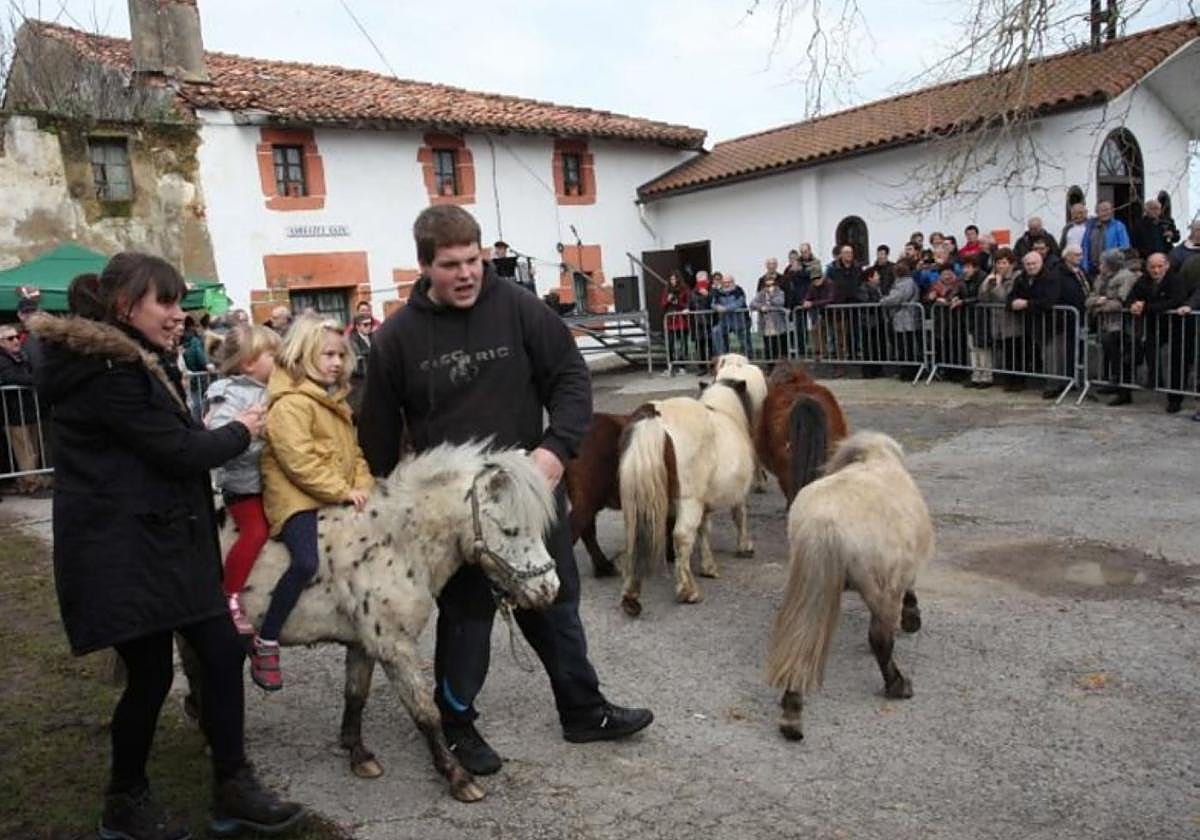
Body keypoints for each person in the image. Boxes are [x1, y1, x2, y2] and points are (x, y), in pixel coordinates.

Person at [356, 204, 653, 777]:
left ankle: (583, 711)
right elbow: (377, 432)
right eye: (451, 265)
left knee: (556, 601)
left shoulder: (519, 307)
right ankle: (457, 724)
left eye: (474, 260)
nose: (467, 274)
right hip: (455, 512)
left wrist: (556, 448)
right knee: (467, 618)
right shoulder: (396, 339)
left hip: (529, 490)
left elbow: (570, 379)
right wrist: (379, 502)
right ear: (424, 266)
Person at [31, 253, 304, 840]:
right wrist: (241, 431)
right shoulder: (108, 372)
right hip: (126, 554)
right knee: (152, 676)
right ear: (127, 305)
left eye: (180, 302)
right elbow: (178, 453)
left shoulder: (134, 361)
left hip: (162, 547)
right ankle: (125, 800)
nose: (180, 315)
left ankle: (232, 785)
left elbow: (169, 443)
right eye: (168, 302)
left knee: (222, 654)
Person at [253, 315, 374, 690]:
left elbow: (355, 454)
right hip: (297, 500)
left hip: (334, 493)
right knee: (305, 559)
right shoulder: (289, 405)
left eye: (341, 355)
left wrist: (364, 485)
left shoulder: (334, 402)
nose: (337, 362)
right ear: (303, 355)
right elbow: (299, 462)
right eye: (327, 355)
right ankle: (267, 639)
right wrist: (342, 491)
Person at [204, 324, 281, 635]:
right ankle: (231, 594)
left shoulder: (274, 388)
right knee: (256, 531)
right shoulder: (228, 394)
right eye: (273, 354)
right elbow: (220, 436)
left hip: (272, 481)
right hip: (244, 485)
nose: (281, 359)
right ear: (249, 362)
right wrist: (254, 434)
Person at [1125, 253, 1192, 413]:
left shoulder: (1176, 279)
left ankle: (1175, 399)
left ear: (1167, 266)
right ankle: (1155, 379)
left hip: (1179, 326)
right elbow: (1131, 297)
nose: (1156, 270)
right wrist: (1133, 305)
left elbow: (1176, 300)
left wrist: (1146, 307)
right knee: (1150, 350)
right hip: (1155, 325)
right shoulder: (1143, 280)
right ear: (1147, 268)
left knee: (1178, 361)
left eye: (1159, 266)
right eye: (1152, 267)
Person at [0, 323, 51, 494]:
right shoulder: (2, 359)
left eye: (17, 336)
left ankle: (29, 481)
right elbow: (11, 377)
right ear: (1, 342)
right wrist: (33, 379)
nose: (16, 340)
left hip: (28, 410)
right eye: (10, 338)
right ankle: (32, 485)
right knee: (25, 451)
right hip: (14, 413)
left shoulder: (21, 356)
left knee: (33, 449)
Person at [1086, 248, 1141, 404]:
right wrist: (1097, 302)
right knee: (1109, 354)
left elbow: (1122, 300)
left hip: (1124, 325)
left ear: (1110, 264)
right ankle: (1112, 382)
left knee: (1124, 357)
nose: (1099, 266)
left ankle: (1124, 391)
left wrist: (1100, 305)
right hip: (1105, 324)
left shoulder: (1126, 277)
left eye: (1102, 263)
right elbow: (1089, 299)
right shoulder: (1100, 278)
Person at [979, 248, 1024, 390]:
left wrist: (998, 285)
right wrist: (986, 284)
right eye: (998, 263)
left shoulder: (1017, 277)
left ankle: (1017, 381)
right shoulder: (993, 277)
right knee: (1005, 352)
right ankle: (1008, 380)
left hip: (1013, 321)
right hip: (997, 321)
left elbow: (1006, 298)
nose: (1000, 266)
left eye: (1004, 263)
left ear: (1011, 264)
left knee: (1015, 352)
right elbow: (983, 299)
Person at [1081, 200, 1132, 278]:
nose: (1106, 213)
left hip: (1112, 269)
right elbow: (1085, 246)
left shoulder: (1118, 226)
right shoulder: (1090, 227)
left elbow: (1125, 248)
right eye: (1102, 210)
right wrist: (1084, 266)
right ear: (1097, 212)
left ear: (1112, 210)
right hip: (1092, 270)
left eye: (1108, 209)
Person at [710, 273, 752, 355]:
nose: (726, 284)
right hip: (724, 321)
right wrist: (717, 307)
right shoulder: (717, 292)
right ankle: (722, 356)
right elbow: (713, 303)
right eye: (725, 282)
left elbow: (739, 303)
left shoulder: (739, 290)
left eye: (729, 282)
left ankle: (748, 358)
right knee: (716, 331)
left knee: (745, 342)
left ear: (733, 282)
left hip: (740, 321)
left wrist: (725, 308)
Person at [750, 270, 787, 361]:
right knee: (768, 347)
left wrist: (770, 297)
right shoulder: (761, 294)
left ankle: (781, 365)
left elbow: (780, 302)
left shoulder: (780, 292)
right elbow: (752, 304)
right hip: (766, 325)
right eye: (767, 285)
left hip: (778, 324)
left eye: (771, 285)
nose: (769, 287)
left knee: (780, 347)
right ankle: (770, 366)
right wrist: (761, 307)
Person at [660, 271, 692, 372]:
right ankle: (670, 365)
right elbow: (662, 305)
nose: (673, 281)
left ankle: (682, 365)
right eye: (671, 279)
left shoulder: (684, 290)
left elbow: (689, 304)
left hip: (681, 321)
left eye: (674, 279)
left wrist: (678, 303)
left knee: (682, 344)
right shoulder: (667, 291)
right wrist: (668, 300)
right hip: (670, 320)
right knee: (670, 344)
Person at [347, 312, 374, 412]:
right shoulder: (352, 341)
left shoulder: (374, 336)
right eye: (365, 325)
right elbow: (354, 366)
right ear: (357, 326)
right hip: (360, 383)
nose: (369, 327)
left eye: (370, 324)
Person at [690, 271, 713, 361]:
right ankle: (702, 365)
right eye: (699, 281)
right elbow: (690, 304)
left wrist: (708, 296)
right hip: (697, 322)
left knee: (711, 344)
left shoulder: (712, 290)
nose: (701, 283)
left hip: (710, 320)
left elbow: (715, 301)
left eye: (703, 281)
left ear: (707, 280)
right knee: (700, 344)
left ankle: (712, 364)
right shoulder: (693, 292)